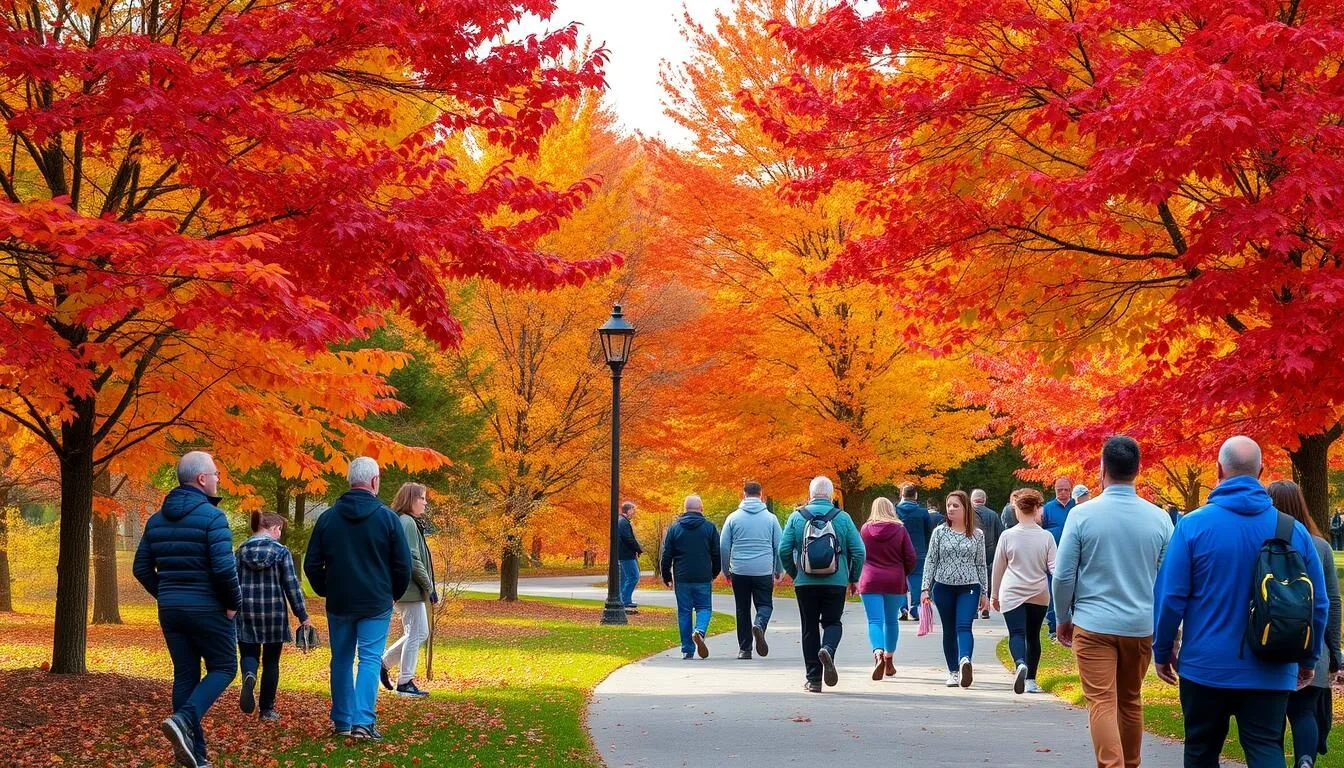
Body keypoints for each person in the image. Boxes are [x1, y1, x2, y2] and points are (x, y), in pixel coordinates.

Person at [1153, 436, 1329, 768]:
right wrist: (1308, 658)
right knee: (1266, 747)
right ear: (1260, 472)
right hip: (1271, 662)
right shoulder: (1294, 531)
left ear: (1219, 470)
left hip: (1205, 665)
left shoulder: (1192, 526)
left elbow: (1170, 597)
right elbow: (1318, 604)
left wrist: (1163, 650)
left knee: (1201, 750)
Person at [1053, 436, 1173, 768]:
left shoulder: (1081, 515)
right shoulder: (1160, 519)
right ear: (1138, 469)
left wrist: (1062, 616)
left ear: (1102, 469)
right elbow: (1168, 580)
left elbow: (1063, 575)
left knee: (1102, 702)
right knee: (1130, 701)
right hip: (1140, 624)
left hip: (1093, 623)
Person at [133, 451, 242, 768]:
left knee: (185, 675)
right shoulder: (213, 518)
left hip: (171, 611)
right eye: (216, 473)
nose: (218, 478)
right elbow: (224, 569)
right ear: (202, 479)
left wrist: (166, 594)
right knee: (225, 668)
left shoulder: (155, 520)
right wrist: (232, 604)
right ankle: (183, 720)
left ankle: (194, 756)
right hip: (208, 609)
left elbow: (141, 568)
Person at [304, 457, 412, 742]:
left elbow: (312, 564)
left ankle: (342, 720)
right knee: (370, 658)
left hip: (340, 601)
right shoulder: (387, 519)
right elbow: (403, 565)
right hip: (375, 601)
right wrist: (393, 594)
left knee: (341, 659)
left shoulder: (328, 518)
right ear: (374, 481)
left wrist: (326, 588)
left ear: (350, 481)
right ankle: (363, 721)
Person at [1268, 481, 1341, 768]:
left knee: (1270, 719)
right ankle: (1305, 761)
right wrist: (1334, 650)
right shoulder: (1320, 546)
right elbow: (1332, 601)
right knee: (1305, 711)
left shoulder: (1264, 544)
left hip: (1270, 640)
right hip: (1312, 642)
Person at [780, 476, 866, 692]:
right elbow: (859, 551)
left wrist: (796, 573)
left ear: (810, 495)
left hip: (805, 583)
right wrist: (853, 577)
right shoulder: (843, 518)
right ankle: (828, 648)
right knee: (833, 622)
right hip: (836, 581)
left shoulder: (796, 517)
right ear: (831, 495)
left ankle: (814, 680)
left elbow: (783, 550)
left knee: (809, 627)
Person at [236, 511, 310, 723]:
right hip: (274, 613)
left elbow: (232, 581)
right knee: (271, 661)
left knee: (248, 652)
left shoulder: (241, 551)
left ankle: (249, 675)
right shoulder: (281, 552)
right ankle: (267, 709)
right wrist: (302, 614)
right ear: (274, 528)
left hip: (246, 611)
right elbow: (291, 585)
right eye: (280, 530)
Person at [922, 490, 989, 688]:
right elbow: (931, 560)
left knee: (964, 625)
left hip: (969, 587)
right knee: (949, 630)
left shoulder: (977, 535)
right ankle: (953, 672)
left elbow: (981, 564)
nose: (951, 509)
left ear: (965, 508)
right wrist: (925, 588)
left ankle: (965, 660)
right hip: (943, 588)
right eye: (948, 505)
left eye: (955, 506)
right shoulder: (939, 532)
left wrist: (984, 592)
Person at [992, 489, 1055, 695]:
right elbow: (1054, 567)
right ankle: (1031, 681)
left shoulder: (1008, 535)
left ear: (1016, 509)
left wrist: (994, 594)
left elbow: (998, 567)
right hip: (1038, 592)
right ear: (1037, 509)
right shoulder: (1046, 537)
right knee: (1033, 636)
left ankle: (1020, 662)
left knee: (1016, 633)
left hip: (1012, 591)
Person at [380, 482, 438, 698]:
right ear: (410, 499)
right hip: (409, 589)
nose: (425, 502)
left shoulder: (405, 521)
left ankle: (384, 664)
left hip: (408, 588)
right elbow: (412, 559)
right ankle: (405, 682)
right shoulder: (407, 522)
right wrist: (429, 587)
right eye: (422, 498)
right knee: (416, 633)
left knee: (419, 632)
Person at [720, 482, 782, 659]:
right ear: (761, 495)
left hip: (740, 570)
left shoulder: (733, 518)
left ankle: (745, 649)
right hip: (763, 569)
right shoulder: (771, 519)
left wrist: (726, 570)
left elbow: (724, 546)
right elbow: (779, 546)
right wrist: (778, 569)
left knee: (742, 608)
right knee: (765, 604)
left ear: (744, 494)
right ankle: (760, 624)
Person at [858, 497, 917, 680]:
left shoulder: (865, 529)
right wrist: (903, 572)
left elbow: (859, 553)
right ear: (891, 509)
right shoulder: (900, 529)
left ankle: (878, 653)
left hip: (870, 579)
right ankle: (889, 660)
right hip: (894, 580)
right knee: (891, 621)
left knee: (874, 621)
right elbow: (910, 556)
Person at [660, 494, 721, 660]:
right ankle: (699, 631)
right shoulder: (709, 528)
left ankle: (687, 649)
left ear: (685, 509)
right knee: (704, 608)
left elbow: (667, 555)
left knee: (684, 612)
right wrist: (714, 572)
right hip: (703, 575)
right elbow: (716, 554)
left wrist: (666, 576)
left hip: (682, 576)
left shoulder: (675, 529)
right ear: (701, 508)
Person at [1042, 476, 1076, 638]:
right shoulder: (1048, 508)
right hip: (1053, 556)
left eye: (1066, 490)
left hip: (1074, 554)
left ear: (1070, 490)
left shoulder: (1076, 507)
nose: (1062, 493)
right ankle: (1053, 628)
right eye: (1059, 490)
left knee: (1075, 590)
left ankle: (1075, 626)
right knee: (1053, 590)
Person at [894, 484, 933, 621]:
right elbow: (928, 533)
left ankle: (902, 608)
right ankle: (915, 608)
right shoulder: (923, 513)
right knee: (916, 580)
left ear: (902, 495)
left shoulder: (894, 511)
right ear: (915, 495)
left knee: (899, 579)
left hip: (898, 551)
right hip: (918, 551)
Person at [971, 489, 1004, 619]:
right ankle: (985, 607)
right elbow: (1000, 534)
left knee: (972, 579)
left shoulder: (968, 514)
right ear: (984, 500)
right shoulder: (993, 515)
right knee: (987, 579)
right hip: (989, 551)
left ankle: (973, 608)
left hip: (972, 551)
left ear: (972, 500)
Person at [617, 501, 643, 613]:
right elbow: (628, 538)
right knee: (634, 576)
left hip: (623, 554)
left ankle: (621, 599)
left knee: (624, 578)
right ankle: (625, 600)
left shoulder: (621, 521)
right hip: (626, 555)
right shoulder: (623, 522)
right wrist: (638, 548)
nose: (634, 512)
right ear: (628, 510)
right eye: (633, 509)